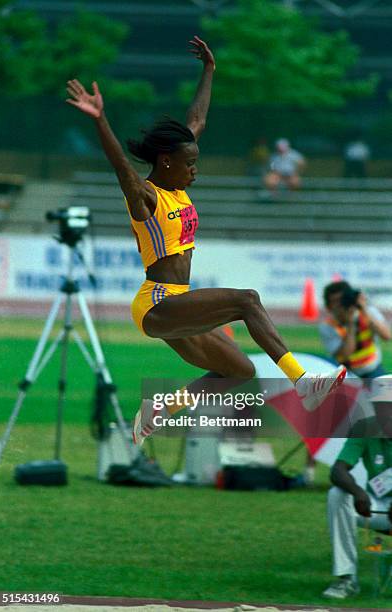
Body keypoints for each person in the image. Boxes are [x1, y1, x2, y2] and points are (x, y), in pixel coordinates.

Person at [66, 36, 346, 446]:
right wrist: (99, 120)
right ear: (166, 162)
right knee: (247, 300)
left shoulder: (177, 185)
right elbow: (121, 167)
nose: (195, 171)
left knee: (240, 373)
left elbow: (195, 121)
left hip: (177, 299)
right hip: (158, 302)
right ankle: (303, 382)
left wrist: (209, 71)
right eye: (190, 164)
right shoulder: (146, 196)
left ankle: (159, 409)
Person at [323, 375, 392, 600]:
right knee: (337, 495)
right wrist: (358, 492)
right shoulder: (365, 427)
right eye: (380, 406)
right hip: (378, 505)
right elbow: (338, 470)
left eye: (389, 406)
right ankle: (346, 578)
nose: (385, 412)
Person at [319, 281, 391, 381]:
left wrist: (364, 308)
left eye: (342, 299)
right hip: (346, 373)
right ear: (328, 307)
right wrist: (351, 323)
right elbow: (345, 355)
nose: (340, 305)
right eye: (335, 301)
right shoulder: (328, 326)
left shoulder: (367, 312)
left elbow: (387, 336)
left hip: (373, 369)